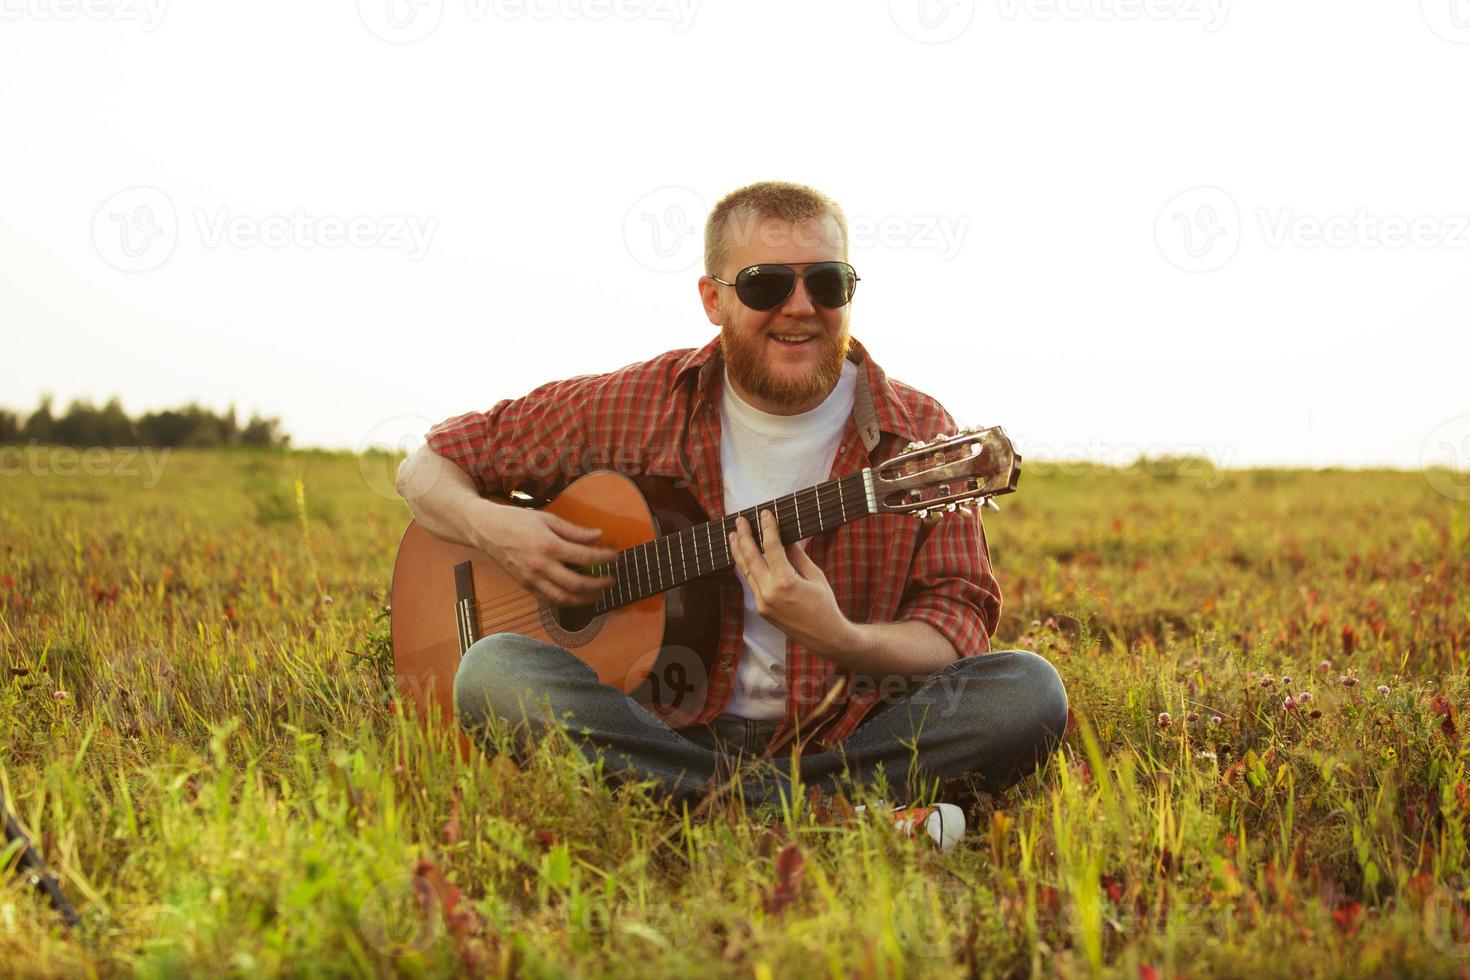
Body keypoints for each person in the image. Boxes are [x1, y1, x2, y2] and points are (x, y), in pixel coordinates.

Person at [394, 180, 1068, 820]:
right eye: (766, 284)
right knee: (495, 671)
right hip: (654, 727)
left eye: (827, 282)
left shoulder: (918, 435)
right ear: (712, 301)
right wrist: (496, 528)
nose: (800, 307)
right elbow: (428, 467)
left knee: (1026, 694)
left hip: (844, 740)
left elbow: (957, 629)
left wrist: (843, 639)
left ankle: (703, 808)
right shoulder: (634, 403)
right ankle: (827, 814)